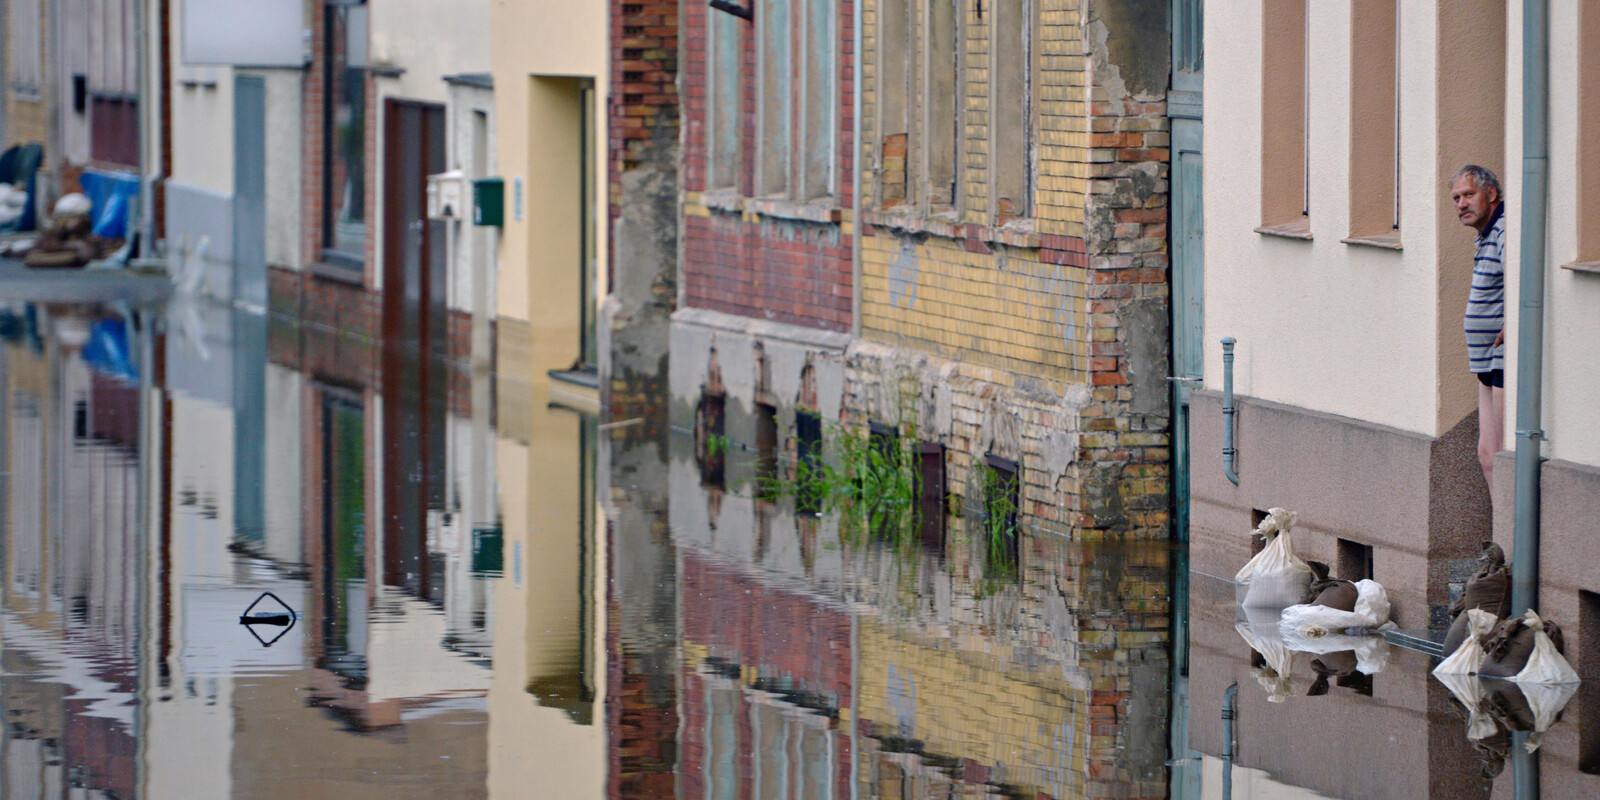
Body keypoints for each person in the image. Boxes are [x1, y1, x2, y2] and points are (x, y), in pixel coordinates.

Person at [1450, 164, 1505, 492]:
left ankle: (1511, 541)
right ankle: (1500, 539)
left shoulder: (1504, 229)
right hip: (1485, 361)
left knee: (1499, 456)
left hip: (1501, 361)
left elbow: (1521, 277)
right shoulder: (1486, 235)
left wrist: (1513, 322)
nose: (1461, 204)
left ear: (1491, 194)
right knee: (1487, 454)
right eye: (1456, 197)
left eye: (1469, 194)